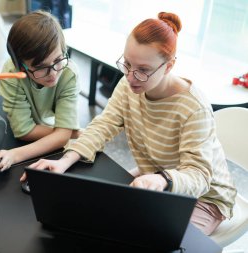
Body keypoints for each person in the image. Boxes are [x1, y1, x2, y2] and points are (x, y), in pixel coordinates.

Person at [24, 12, 237, 236]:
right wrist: (64, 161)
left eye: (143, 70)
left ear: (169, 66)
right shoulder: (129, 85)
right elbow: (103, 125)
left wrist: (162, 179)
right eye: (127, 64)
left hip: (203, 197)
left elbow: (199, 176)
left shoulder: (193, 108)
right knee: (101, 219)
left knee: (153, 239)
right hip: (155, 175)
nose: (131, 77)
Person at [0, 10, 80, 172]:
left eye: (58, 60)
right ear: (20, 66)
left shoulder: (68, 73)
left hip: (44, 124)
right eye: (40, 67)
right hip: (22, 130)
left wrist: (15, 155)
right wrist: (68, 132)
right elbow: (24, 131)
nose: (53, 73)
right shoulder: (12, 74)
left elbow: (61, 135)